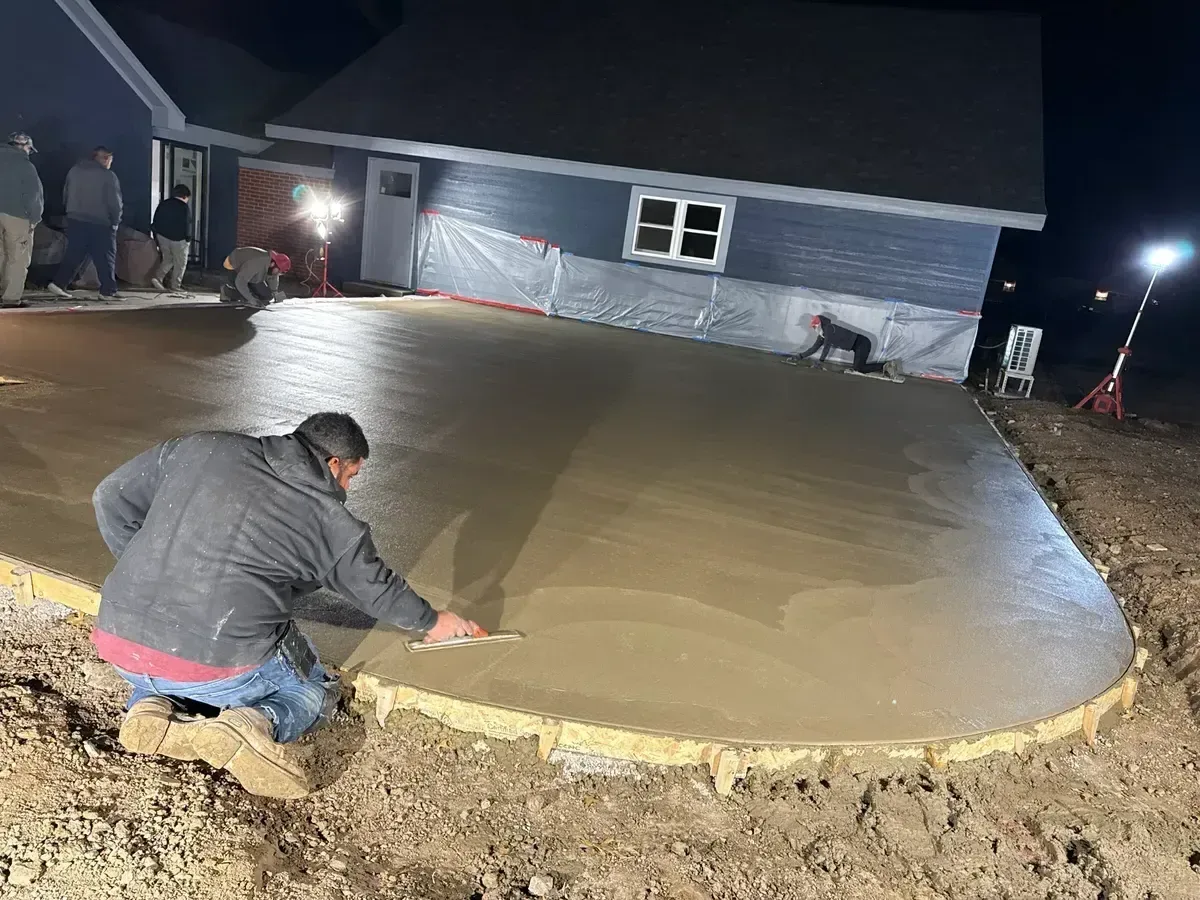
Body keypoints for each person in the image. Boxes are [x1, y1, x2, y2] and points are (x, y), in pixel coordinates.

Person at [91, 412, 483, 798]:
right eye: (350, 475)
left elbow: (108, 496)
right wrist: (433, 622)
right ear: (334, 463)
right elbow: (375, 587)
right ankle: (252, 723)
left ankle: (149, 706)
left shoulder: (200, 446)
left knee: (168, 667)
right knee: (311, 687)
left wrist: (141, 566)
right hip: (216, 663)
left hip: (118, 643)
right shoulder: (328, 518)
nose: (346, 486)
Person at [48, 147, 123, 301]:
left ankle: (59, 283)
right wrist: (115, 222)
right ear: (103, 158)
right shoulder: (108, 176)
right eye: (109, 158)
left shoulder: (74, 171)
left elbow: (65, 194)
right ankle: (108, 291)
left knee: (75, 253)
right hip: (100, 222)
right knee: (106, 256)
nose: (110, 162)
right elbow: (115, 203)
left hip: (75, 219)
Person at [0, 133, 43, 309]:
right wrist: (34, 219)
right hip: (17, 216)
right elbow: (34, 196)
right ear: (24, 146)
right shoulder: (26, 166)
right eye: (28, 149)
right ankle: (10, 298)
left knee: (1, 255)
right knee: (17, 258)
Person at [788, 314, 901, 380]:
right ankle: (886, 365)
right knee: (858, 367)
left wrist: (820, 361)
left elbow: (826, 346)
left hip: (862, 343)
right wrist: (799, 356)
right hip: (858, 346)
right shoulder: (822, 334)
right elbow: (814, 348)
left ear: (819, 324)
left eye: (814, 326)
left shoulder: (829, 329)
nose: (813, 329)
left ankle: (886, 365)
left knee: (859, 369)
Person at [149, 184, 191, 292]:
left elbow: (156, 220)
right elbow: (187, 224)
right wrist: (188, 239)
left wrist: (156, 236)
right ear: (185, 196)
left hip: (162, 237)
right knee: (180, 263)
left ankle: (158, 277)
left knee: (168, 258)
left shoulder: (164, 204)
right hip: (179, 239)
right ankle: (175, 286)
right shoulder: (184, 207)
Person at [220, 246, 290, 307]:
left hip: (251, 274)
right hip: (233, 267)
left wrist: (275, 292)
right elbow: (240, 282)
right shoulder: (258, 262)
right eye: (278, 271)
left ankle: (250, 293)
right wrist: (251, 299)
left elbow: (273, 277)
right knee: (246, 297)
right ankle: (226, 291)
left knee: (267, 296)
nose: (277, 274)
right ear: (273, 264)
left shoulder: (272, 264)